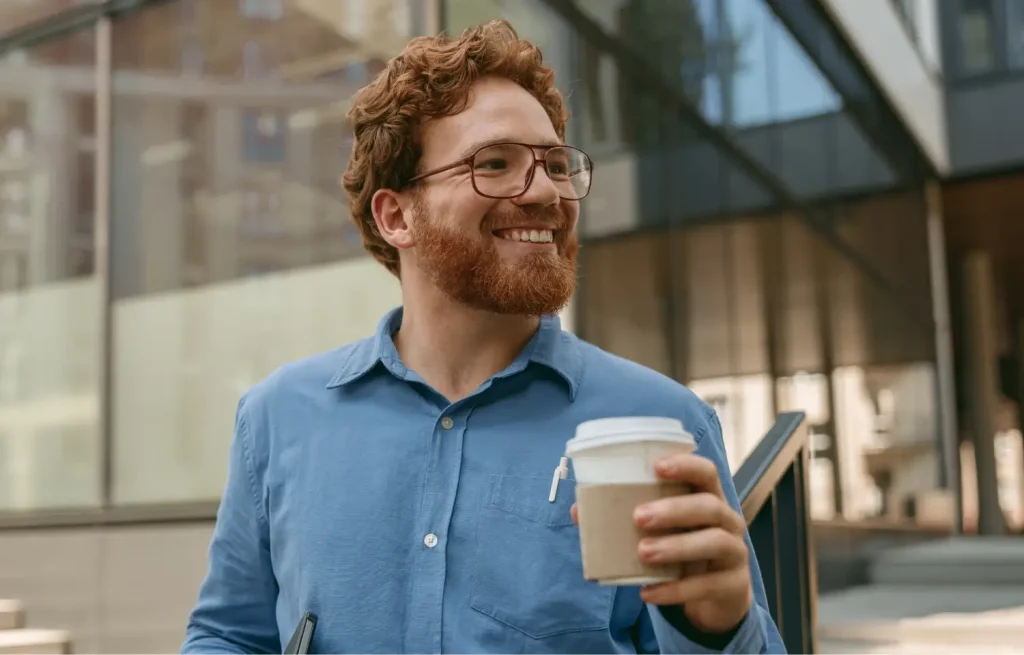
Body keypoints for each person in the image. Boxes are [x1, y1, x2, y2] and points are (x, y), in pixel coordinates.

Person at [181, 19, 785, 655]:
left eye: (555, 164)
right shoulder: (278, 417)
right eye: (495, 163)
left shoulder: (662, 420)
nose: (547, 192)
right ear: (396, 216)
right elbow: (228, 635)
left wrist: (721, 629)